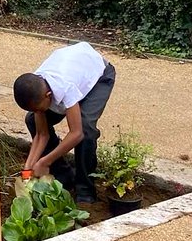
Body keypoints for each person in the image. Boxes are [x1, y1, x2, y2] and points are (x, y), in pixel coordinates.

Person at [13, 42, 116, 203]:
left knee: (86, 128)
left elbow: (76, 133)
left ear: (48, 95)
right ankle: (64, 176)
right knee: (32, 120)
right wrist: (28, 167)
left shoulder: (65, 86)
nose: (39, 112)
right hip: (77, 74)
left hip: (98, 78)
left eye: (39, 108)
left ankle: (85, 191)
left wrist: (45, 161)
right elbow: (42, 134)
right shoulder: (37, 84)